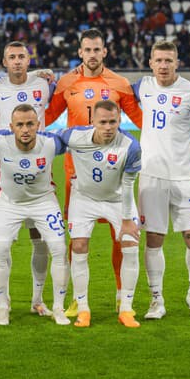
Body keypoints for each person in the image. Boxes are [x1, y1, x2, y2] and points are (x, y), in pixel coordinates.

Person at [45, 28, 142, 316]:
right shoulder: (66, 82)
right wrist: (39, 85)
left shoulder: (120, 83)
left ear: (105, 52)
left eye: (97, 49)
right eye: (87, 50)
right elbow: (45, 116)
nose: (92, 55)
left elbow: (140, 119)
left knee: (120, 236)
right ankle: (78, 298)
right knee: (77, 239)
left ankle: (120, 294)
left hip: (114, 169)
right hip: (77, 172)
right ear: (80, 52)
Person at [132, 41, 190, 320]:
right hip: (151, 177)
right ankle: (156, 300)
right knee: (154, 239)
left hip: (185, 178)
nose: (164, 66)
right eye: (159, 60)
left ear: (177, 62)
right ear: (150, 63)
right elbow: (103, 82)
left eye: (169, 60)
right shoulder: (141, 87)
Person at [57, 100, 141, 328]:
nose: (108, 127)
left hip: (117, 199)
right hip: (84, 198)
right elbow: (47, 144)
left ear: (119, 120)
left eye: (113, 121)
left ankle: (126, 308)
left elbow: (128, 185)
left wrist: (126, 221)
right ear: (92, 121)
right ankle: (83, 308)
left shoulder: (130, 146)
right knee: (79, 246)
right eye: (102, 122)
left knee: (130, 244)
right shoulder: (74, 136)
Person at [0, 104, 70, 326]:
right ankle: (3, 307)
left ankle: (54, 306)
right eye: (20, 125)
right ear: (10, 127)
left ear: (38, 125)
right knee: (1, 249)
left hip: (44, 201)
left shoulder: (51, 143)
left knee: (58, 249)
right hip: (10, 203)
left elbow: (80, 140)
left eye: (30, 124)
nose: (25, 129)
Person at [0, 41, 57, 317]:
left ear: (29, 60)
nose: (17, 61)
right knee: (2, 242)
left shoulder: (44, 84)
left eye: (22, 57)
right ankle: (1, 303)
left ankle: (37, 299)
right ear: (4, 62)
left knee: (38, 237)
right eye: (12, 57)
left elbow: (67, 84)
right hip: (4, 170)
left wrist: (48, 72)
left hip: (39, 167)